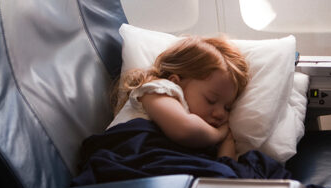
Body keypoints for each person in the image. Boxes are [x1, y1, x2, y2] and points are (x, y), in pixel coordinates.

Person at [106, 35, 249, 159]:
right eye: (211, 100)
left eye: (227, 107)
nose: (221, 114)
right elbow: (184, 130)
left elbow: (226, 167)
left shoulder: (203, 134)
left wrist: (228, 141)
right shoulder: (157, 90)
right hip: (133, 156)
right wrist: (219, 134)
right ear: (176, 82)